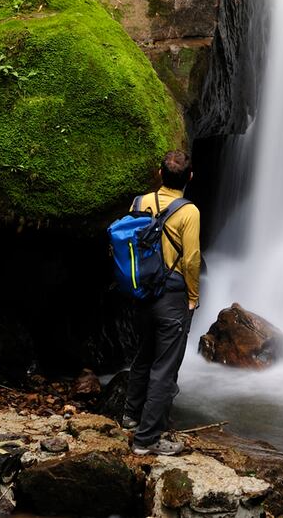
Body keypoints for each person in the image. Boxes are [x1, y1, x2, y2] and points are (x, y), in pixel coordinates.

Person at [121, 149, 200, 456]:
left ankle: (130, 416)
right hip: (171, 297)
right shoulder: (188, 212)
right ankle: (147, 439)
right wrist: (193, 296)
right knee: (165, 368)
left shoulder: (139, 202)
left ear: (158, 174)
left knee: (143, 355)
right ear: (189, 178)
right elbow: (191, 259)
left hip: (141, 294)